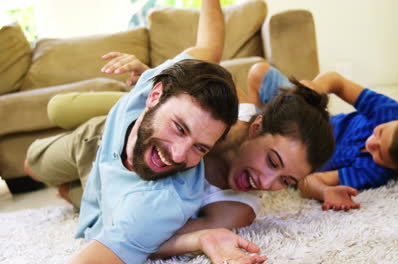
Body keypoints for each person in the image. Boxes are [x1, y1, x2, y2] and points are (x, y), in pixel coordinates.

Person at [22, 1, 258, 263]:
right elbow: (210, 45)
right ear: (154, 96)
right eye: (179, 128)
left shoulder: (157, 207)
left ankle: (75, 193)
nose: (179, 155)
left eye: (200, 148)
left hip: (106, 198)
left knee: (79, 199)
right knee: (31, 168)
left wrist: (200, 238)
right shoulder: (159, 80)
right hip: (95, 138)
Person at [246, 62, 398, 211]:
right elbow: (337, 82)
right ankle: (250, 127)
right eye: (380, 132)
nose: (371, 143)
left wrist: (325, 191)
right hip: (304, 118)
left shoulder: (374, 172)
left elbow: (308, 181)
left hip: (294, 155)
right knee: (259, 71)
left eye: (380, 154)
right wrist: (316, 89)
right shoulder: (389, 110)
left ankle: (248, 136)